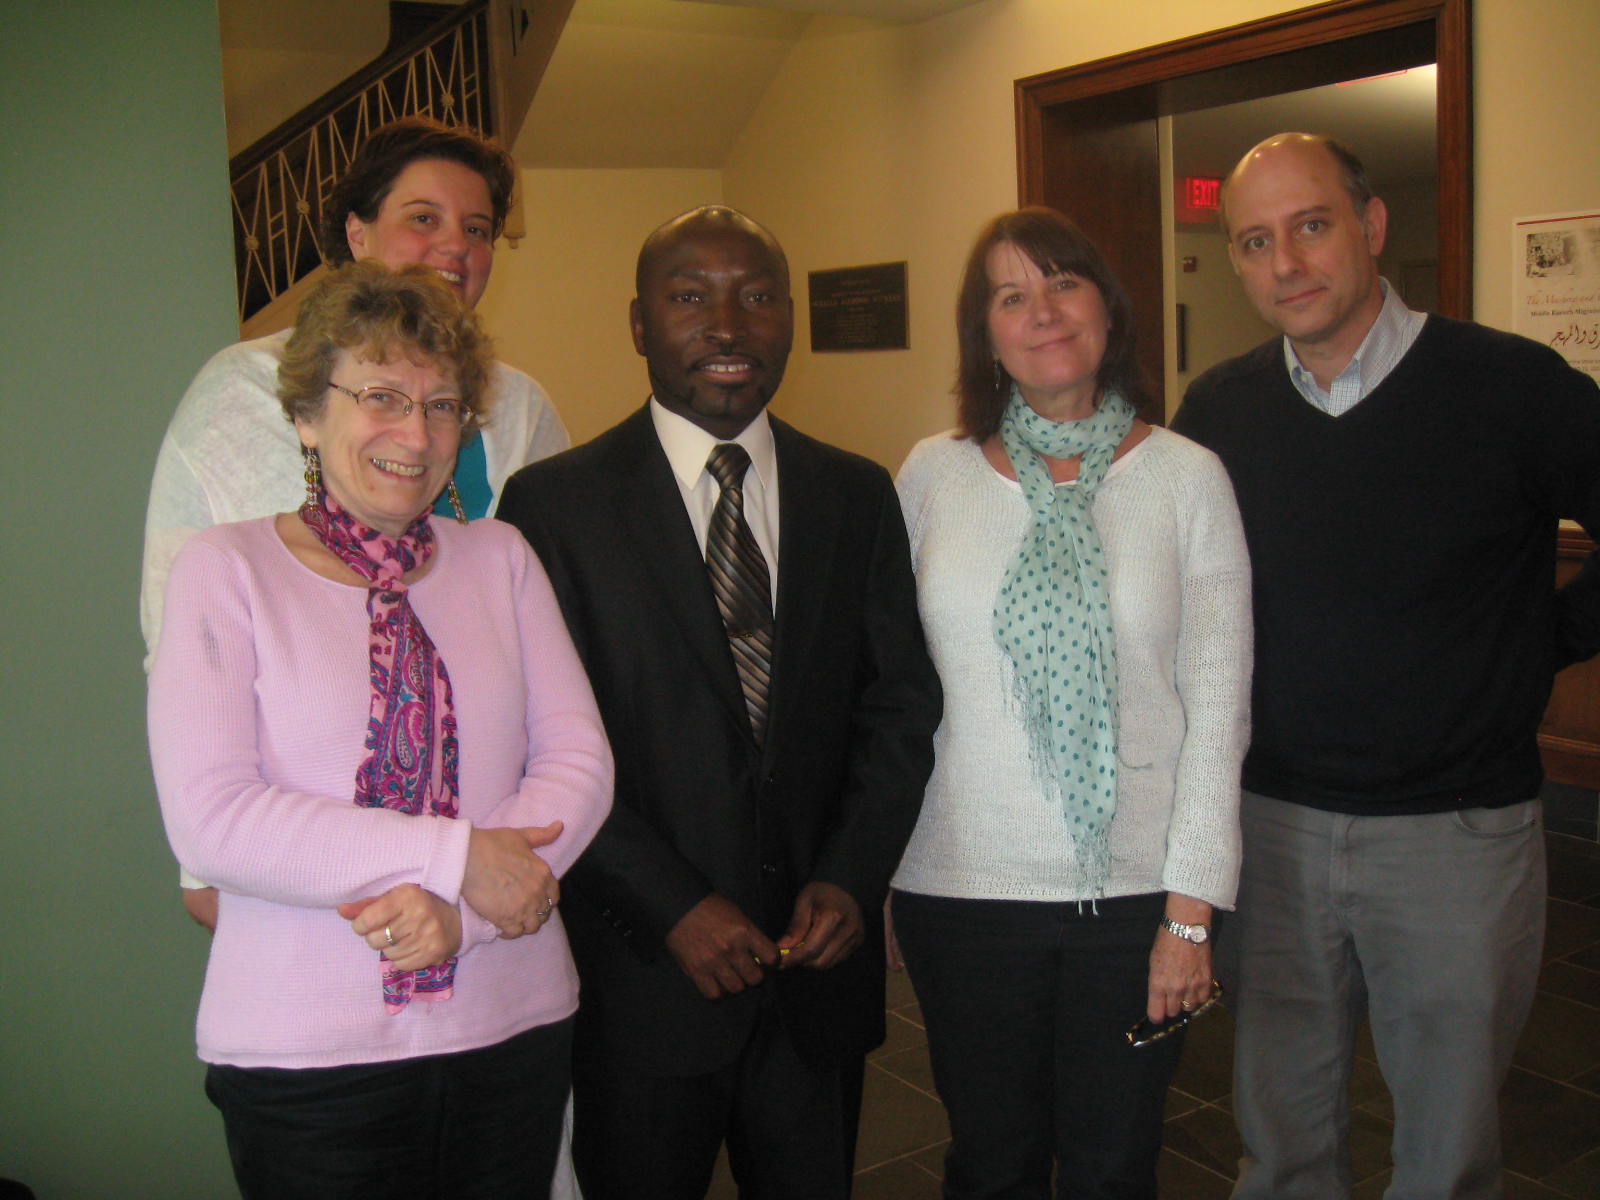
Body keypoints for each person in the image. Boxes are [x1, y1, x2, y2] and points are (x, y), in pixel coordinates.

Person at [1171, 132, 1600, 1200]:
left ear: (1368, 227)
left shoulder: (1508, 385)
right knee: (1278, 1144)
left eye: (1310, 225)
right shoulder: (1217, 416)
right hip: (1268, 830)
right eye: (1255, 241)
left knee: (1447, 1154)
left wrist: (1541, 642)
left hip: (1454, 840)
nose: (1286, 263)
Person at [496, 205, 942, 1199]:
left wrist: (851, 877)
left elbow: (898, 709)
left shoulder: (856, 494)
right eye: (690, 297)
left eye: (756, 297)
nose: (727, 327)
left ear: (789, 317)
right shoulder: (551, 508)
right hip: (644, 982)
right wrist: (670, 908)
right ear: (638, 323)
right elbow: (536, 748)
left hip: (816, 976)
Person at [148, 260, 613, 1198]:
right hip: (306, 1059)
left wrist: (465, 908)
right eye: (382, 396)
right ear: (308, 414)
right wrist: (455, 855)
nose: (417, 432)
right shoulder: (224, 569)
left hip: (511, 1023)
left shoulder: (502, 557)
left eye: (444, 405)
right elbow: (214, 818)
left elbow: (578, 759)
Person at [890, 207, 1252, 1199]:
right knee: (990, 1163)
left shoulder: (1187, 479)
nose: (1042, 311)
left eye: (1063, 283)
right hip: (961, 893)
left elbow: (1217, 710)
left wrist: (1189, 916)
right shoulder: (929, 475)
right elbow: (887, 689)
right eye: (1011, 295)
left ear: (1106, 308)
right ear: (985, 331)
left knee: (1112, 1164)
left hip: (1131, 900)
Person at [141, 115, 570, 931]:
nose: (455, 246)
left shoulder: (520, 409)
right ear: (357, 233)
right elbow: (179, 631)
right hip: (305, 835)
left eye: (476, 230)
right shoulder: (247, 391)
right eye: (423, 218)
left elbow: (548, 628)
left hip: (486, 825)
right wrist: (201, 861)